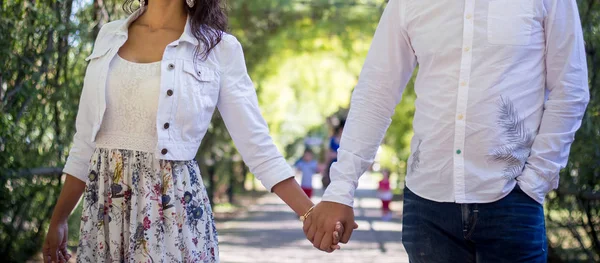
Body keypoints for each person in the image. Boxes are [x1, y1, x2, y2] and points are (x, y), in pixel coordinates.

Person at [42, 0, 342, 262]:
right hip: (105, 218)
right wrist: (59, 220)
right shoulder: (108, 36)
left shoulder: (219, 48)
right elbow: (85, 140)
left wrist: (309, 213)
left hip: (172, 215)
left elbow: (256, 144)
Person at [304, 0, 590, 261]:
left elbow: (571, 89)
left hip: (512, 200)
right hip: (428, 207)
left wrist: (536, 180)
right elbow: (376, 93)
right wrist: (341, 188)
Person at [321, 122, 344, 189]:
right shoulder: (332, 139)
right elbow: (328, 153)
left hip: (342, 165)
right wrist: (325, 166)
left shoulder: (347, 141)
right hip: (332, 164)